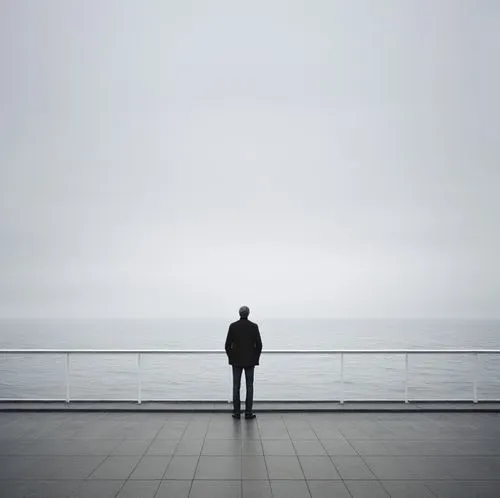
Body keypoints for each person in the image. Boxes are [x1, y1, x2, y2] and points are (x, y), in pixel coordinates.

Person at [225, 306, 263, 419]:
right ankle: (248, 413)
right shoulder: (254, 326)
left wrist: (231, 357)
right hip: (250, 361)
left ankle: (237, 413)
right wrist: (255, 358)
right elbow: (259, 345)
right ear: (248, 313)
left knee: (236, 386)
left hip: (236, 361)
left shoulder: (233, 326)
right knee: (249, 386)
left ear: (239, 313)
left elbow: (227, 346)